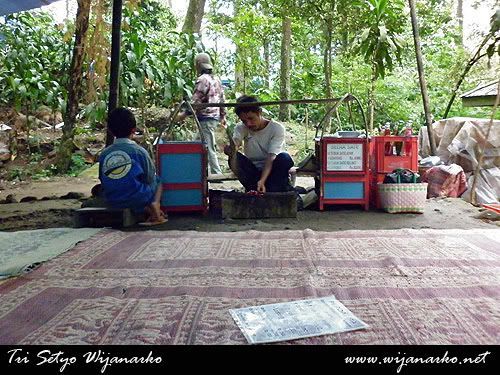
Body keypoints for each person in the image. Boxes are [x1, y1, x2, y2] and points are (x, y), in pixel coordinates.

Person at [99, 107, 167, 226]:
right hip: (138, 199)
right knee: (158, 180)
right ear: (134, 130)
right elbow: (150, 177)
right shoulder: (139, 151)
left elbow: (102, 178)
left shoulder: (105, 154)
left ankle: (146, 209)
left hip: (112, 200)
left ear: (109, 130)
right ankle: (155, 205)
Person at [224, 95, 294, 193]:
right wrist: (230, 149)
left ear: (259, 113)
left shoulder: (277, 128)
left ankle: (267, 188)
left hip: (272, 171)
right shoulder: (241, 128)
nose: (248, 124)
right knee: (234, 158)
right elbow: (236, 143)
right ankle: (257, 188)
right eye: (244, 121)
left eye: (251, 118)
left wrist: (262, 181)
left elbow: (271, 157)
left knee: (284, 158)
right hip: (253, 173)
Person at [178, 52, 226, 175]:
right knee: (197, 144)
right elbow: (222, 99)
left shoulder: (202, 80)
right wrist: (222, 115)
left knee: (208, 146)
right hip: (213, 117)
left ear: (198, 65)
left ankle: (216, 173)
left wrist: (184, 114)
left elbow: (196, 100)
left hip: (206, 117)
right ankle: (195, 171)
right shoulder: (217, 79)